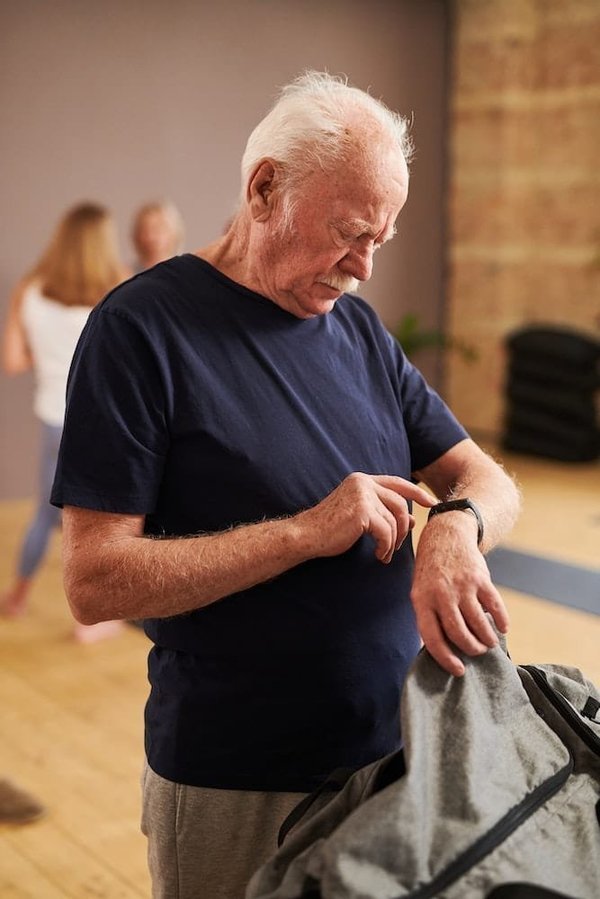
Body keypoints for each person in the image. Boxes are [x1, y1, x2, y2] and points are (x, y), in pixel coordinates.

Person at [51, 72, 521, 898]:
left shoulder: (360, 332)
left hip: (391, 760)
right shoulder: (139, 331)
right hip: (238, 786)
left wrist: (456, 523)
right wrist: (304, 531)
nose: (366, 267)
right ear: (265, 186)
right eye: (349, 232)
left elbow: (482, 474)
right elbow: (93, 581)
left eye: (383, 237)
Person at [1, 202, 129, 643]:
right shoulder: (117, 288)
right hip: (98, 423)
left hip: (52, 417)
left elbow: (13, 360)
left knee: (44, 513)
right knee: (99, 521)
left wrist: (52, 353)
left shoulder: (30, 289)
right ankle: (89, 623)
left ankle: (16, 597)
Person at [130, 199, 185, 271]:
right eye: (145, 230)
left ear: (174, 233)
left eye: (157, 230)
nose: (151, 237)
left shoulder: (185, 274)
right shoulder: (125, 276)